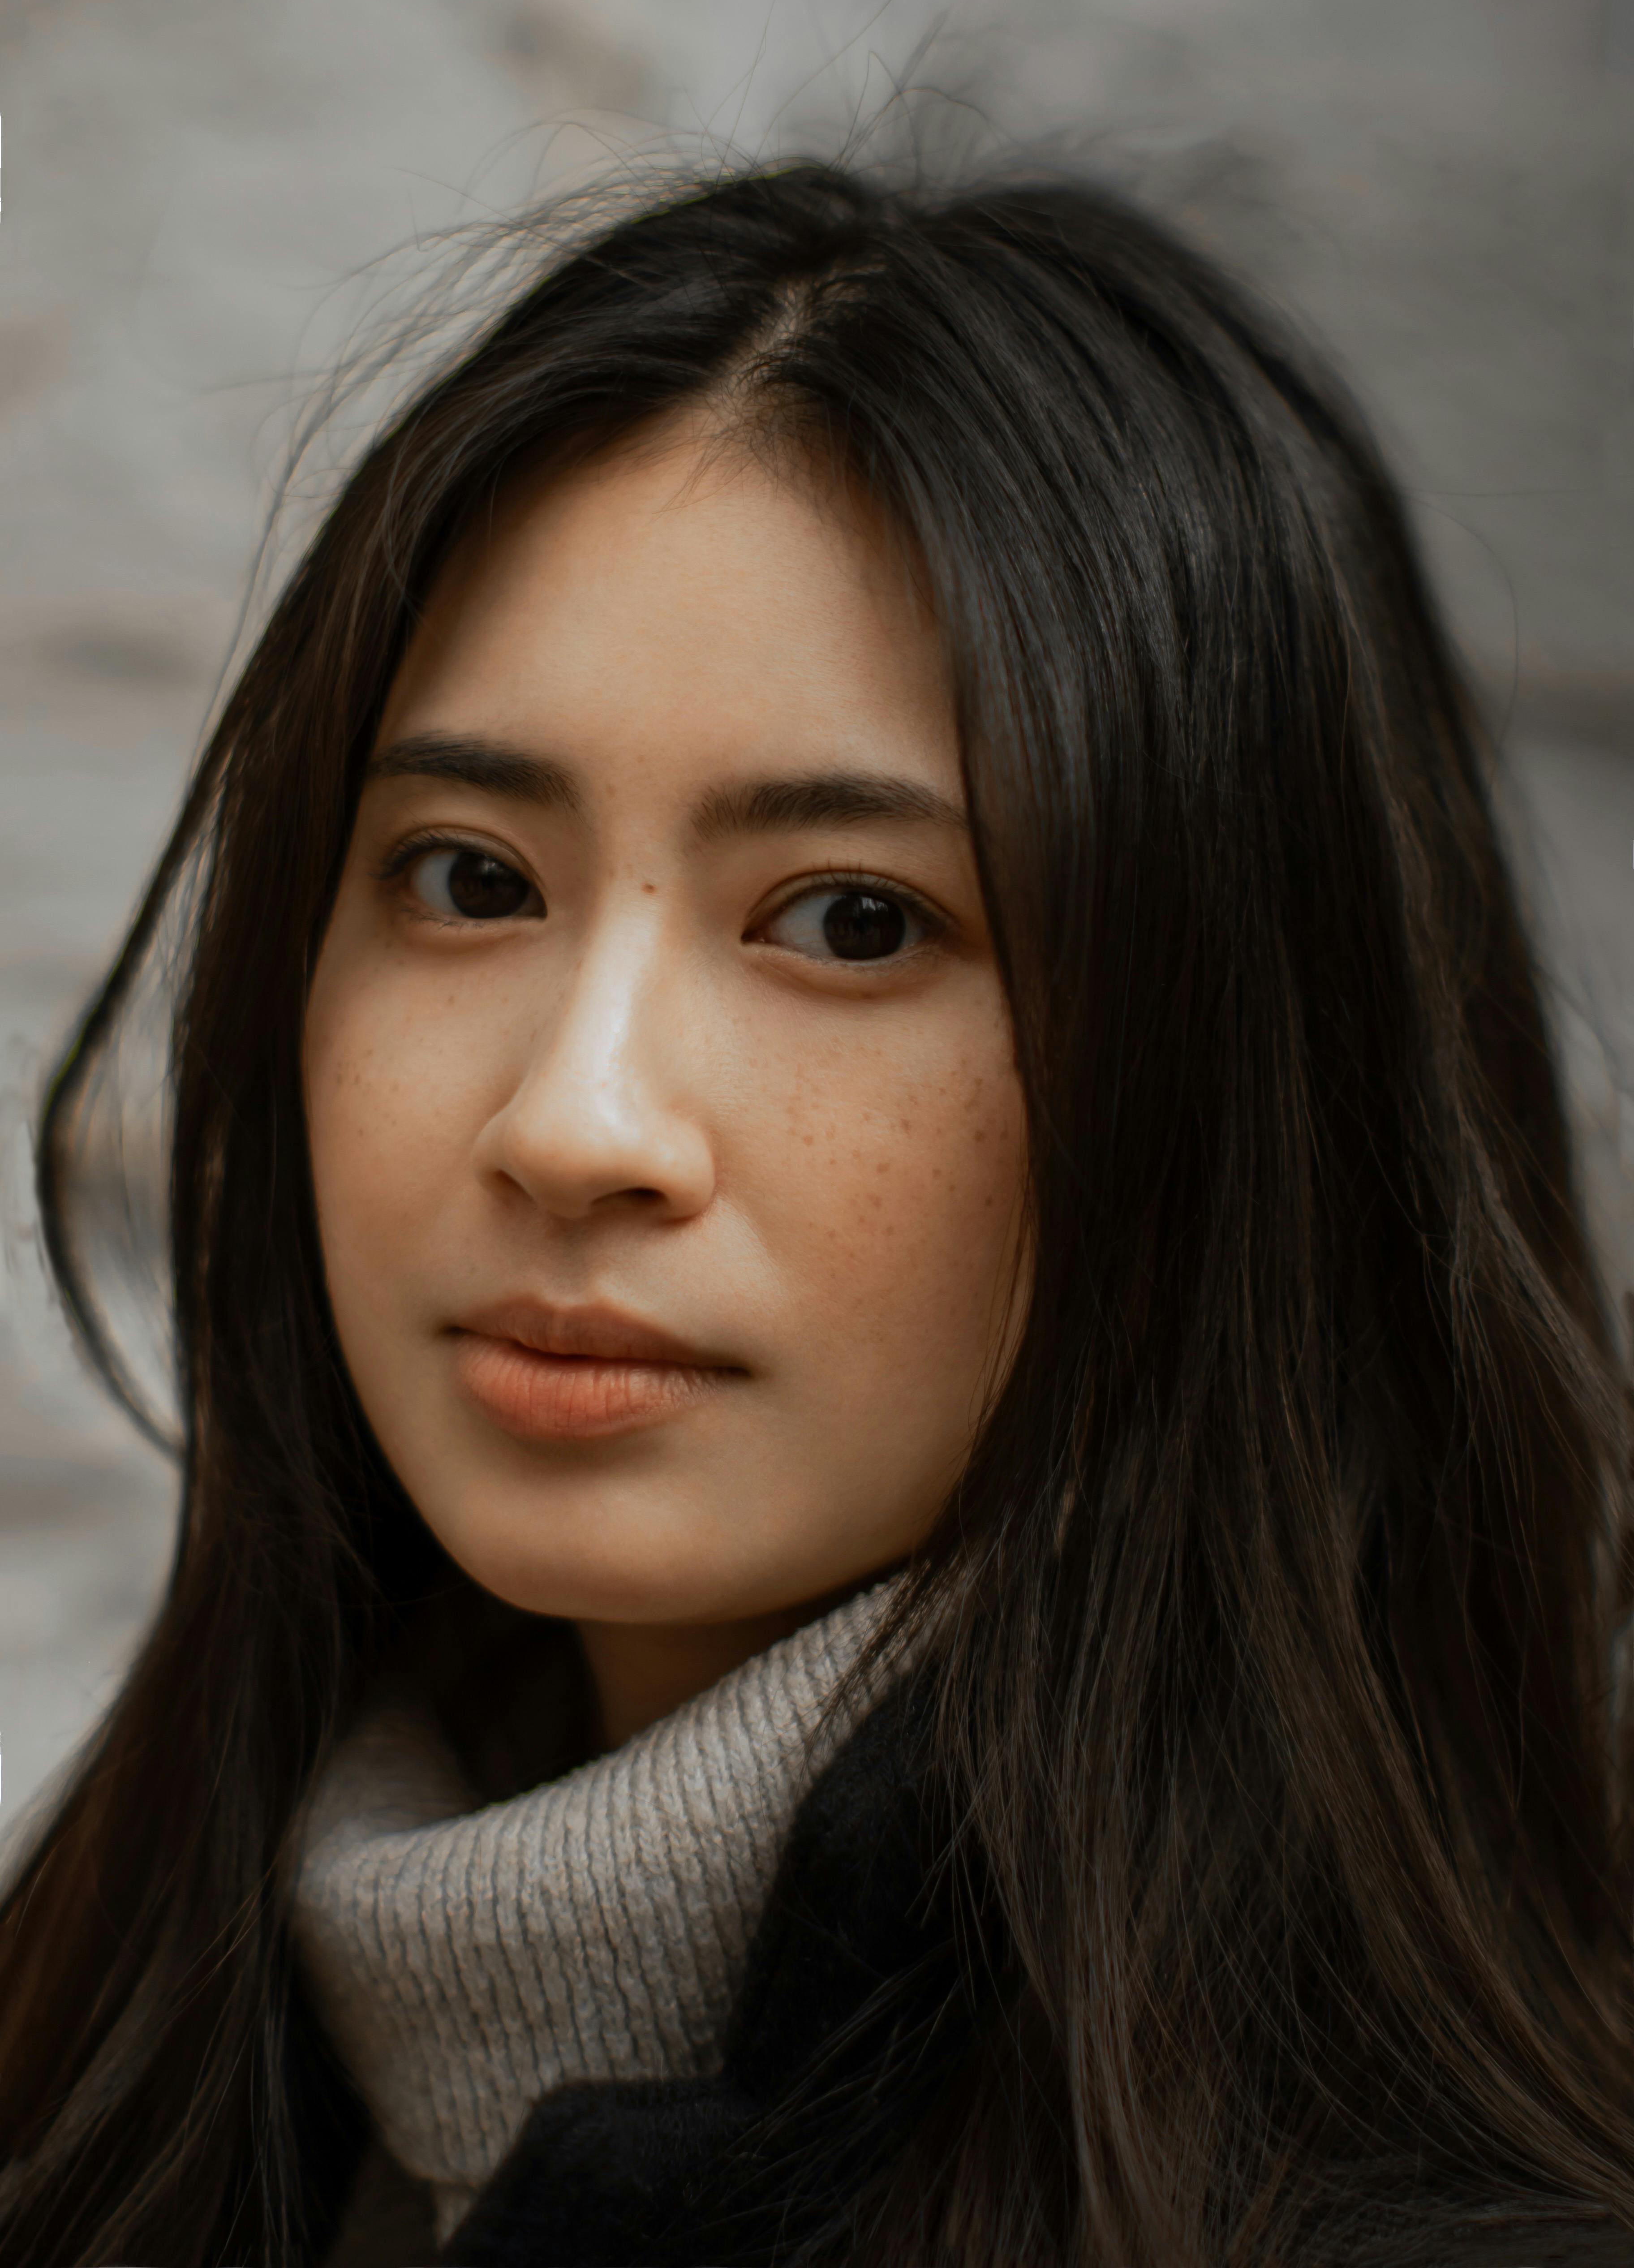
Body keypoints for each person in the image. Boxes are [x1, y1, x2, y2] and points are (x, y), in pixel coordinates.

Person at [0, 159, 1631, 2268]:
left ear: (1238, 1073)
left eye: (854, 923)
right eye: (471, 877)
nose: (579, 1124)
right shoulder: (118, 2075)